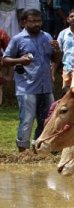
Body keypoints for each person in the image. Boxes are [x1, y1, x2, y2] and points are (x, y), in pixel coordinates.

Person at [2, 9, 61, 152]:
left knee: (47, 119)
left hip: (45, 86)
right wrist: (20, 60)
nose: (37, 24)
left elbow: (55, 60)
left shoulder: (47, 37)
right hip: (26, 87)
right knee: (27, 120)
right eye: (32, 21)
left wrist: (58, 51)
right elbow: (5, 59)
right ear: (23, 22)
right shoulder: (18, 39)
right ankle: (23, 151)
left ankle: (39, 148)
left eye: (39, 21)